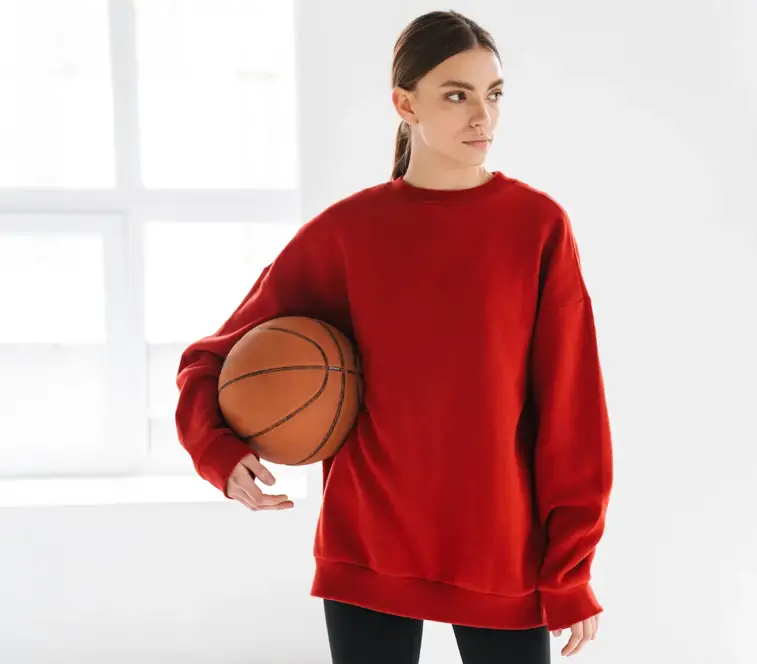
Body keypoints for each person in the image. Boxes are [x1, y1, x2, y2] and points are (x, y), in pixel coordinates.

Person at [175, 10, 613, 664]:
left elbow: (571, 410)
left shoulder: (538, 227)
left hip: (498, 545)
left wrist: (570, 565)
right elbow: (210, 359)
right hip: (368, 541)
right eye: (456, 95)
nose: (482, 117)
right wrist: (217, 449)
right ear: (404, 103)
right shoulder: (347, 234)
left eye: (493, 95)